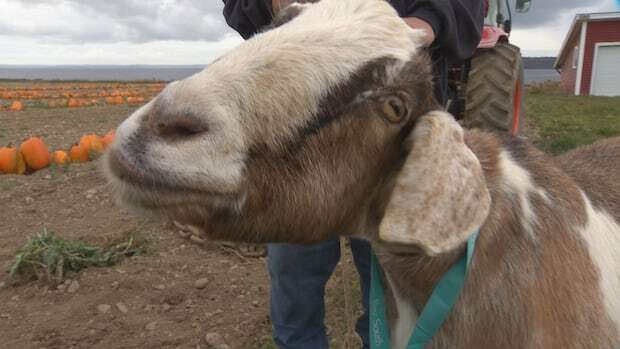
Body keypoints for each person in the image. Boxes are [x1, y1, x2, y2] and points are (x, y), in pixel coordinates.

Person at [221, 1, 484, 348]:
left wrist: (422, 22)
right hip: (295, 141)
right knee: (295, 284)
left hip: (390, 140)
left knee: (391, 292)